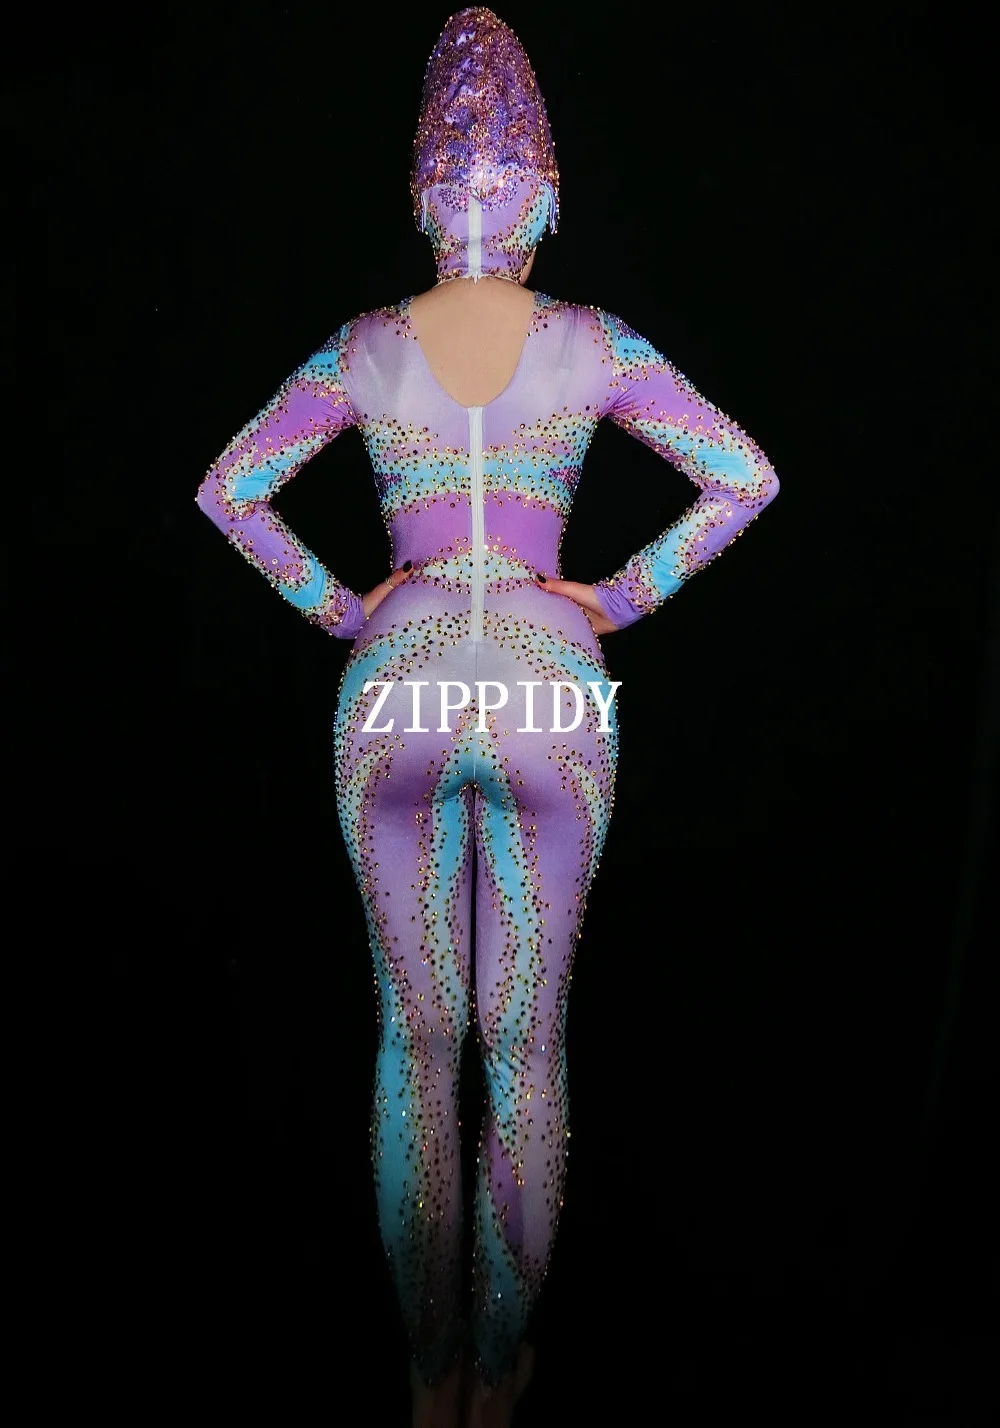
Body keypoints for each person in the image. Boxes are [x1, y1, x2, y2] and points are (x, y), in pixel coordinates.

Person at [194, 8, 779, 1425]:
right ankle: (501, 1377)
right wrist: (617, 596)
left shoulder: (364, 348)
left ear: (421, 191)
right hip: (544, 683)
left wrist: (342, 606)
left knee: (414, 1041)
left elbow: (230, 490)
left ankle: (426, 1375)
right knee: (525, 1046)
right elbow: (741, 476)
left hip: (396, 683)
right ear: (543, 191)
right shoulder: (591, 342)